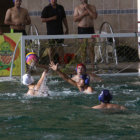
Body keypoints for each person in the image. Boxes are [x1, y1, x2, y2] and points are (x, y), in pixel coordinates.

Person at [73, 0, 97, 65]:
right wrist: (83, 14)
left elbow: (95, 17)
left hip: (90, 29)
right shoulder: (77, 8)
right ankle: (83, 65)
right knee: (83, 49)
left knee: (91, 48)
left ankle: (92, 65)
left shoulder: (92, 7)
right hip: (81, 30)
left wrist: (88, 9)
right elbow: (75, 19)